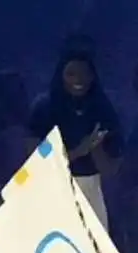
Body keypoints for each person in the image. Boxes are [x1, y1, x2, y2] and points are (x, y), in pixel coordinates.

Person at [29, 50, 124, 232]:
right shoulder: (44, 109)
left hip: (91, 190)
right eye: (71, 74)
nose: (78, 80)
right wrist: (79, 151)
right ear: (61, 75)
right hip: (52, 191)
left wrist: (95, 148)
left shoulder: (102, 108)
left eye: (84, 74)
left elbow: (111, 169)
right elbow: (35, 160)